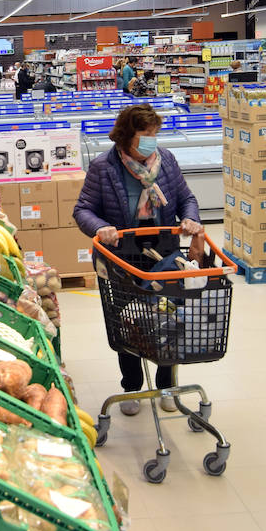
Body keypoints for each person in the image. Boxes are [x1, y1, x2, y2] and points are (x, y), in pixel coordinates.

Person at [73, 104, 203, 414]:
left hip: (166, 256)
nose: (151, 141)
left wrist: (190, 219)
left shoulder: (167, 161)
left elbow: (186, 198)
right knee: (126, 322)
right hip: (121, 257)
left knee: (169, 319)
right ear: (126, 136)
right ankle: (131, 386)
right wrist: (101, 227)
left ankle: (167, 385)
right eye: (145, 135)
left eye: (155, 134)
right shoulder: (104, 167)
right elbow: (82, 210)